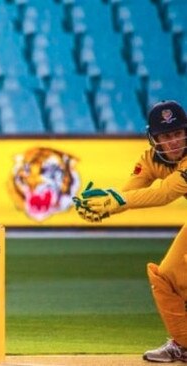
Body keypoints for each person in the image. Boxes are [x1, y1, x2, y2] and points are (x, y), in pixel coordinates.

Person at [73, 100, 187, 363]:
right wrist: (107, 206)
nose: (173, 142)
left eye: (178, 133)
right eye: (166, 136)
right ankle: (182, 344)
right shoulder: (149, 160)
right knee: (166, 277)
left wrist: (117, 202)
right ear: (153, 138)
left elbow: (165, 193)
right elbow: (128, 193)